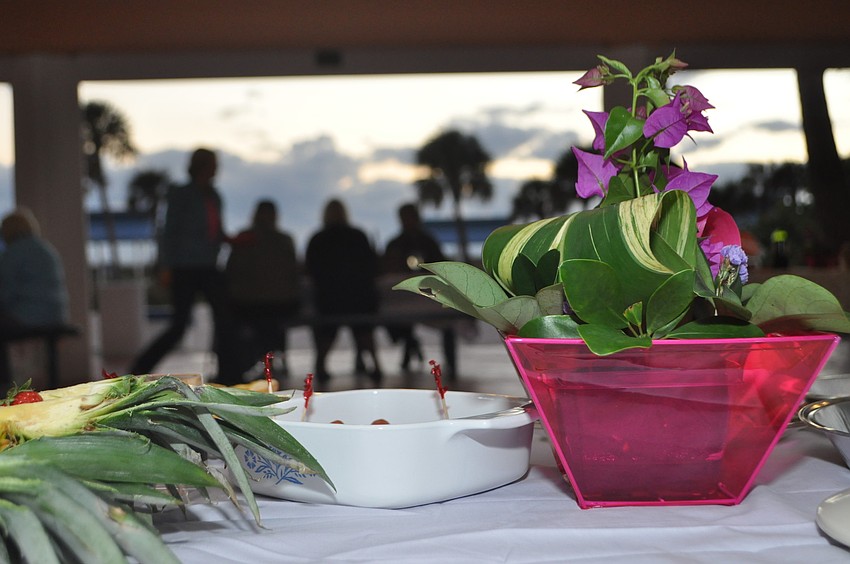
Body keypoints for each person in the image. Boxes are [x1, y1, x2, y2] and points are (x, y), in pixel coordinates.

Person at [130, 148, 239, 384]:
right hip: (185, 267)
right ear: (201, 166)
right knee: (179, 324)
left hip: (209, 265)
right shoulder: (181, 194)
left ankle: (230, 374)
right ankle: (140, 367)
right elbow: (170, 231)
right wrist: (166, 266)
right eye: (212, 164)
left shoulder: (215, 196)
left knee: (225, 320)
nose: (216, 169)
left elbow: (216, 232)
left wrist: (234, 240)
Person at [305, 199, 382, 385]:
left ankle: (320, 364)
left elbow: (310, 269)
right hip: (359, 299)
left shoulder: (318, 239)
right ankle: (375, 364)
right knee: (364, 329)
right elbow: (371, 267)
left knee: (326, 332)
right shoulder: (358, 236)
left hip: (330, 300)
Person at [226, 199, 300, 379]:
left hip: (258, 303)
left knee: (265, 321)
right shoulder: (281, 240)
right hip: (269, 302)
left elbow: (231, 270)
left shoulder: (250, 239)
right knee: (269, 322)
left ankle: (262, 360)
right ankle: (268, 359)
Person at [0, 208, 70, 389]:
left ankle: (5, 384)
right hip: (56, 315)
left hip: (29, 316)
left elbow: (5, 295)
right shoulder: (46, 248)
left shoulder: (13, 252)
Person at [382, 203, 445, 371]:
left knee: (446, 320)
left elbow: (441, 264)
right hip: (400, 299)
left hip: (429, 296)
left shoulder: (428, 242)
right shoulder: (395, 244)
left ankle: (410, 345)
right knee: (395, 316)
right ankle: (409, 343)